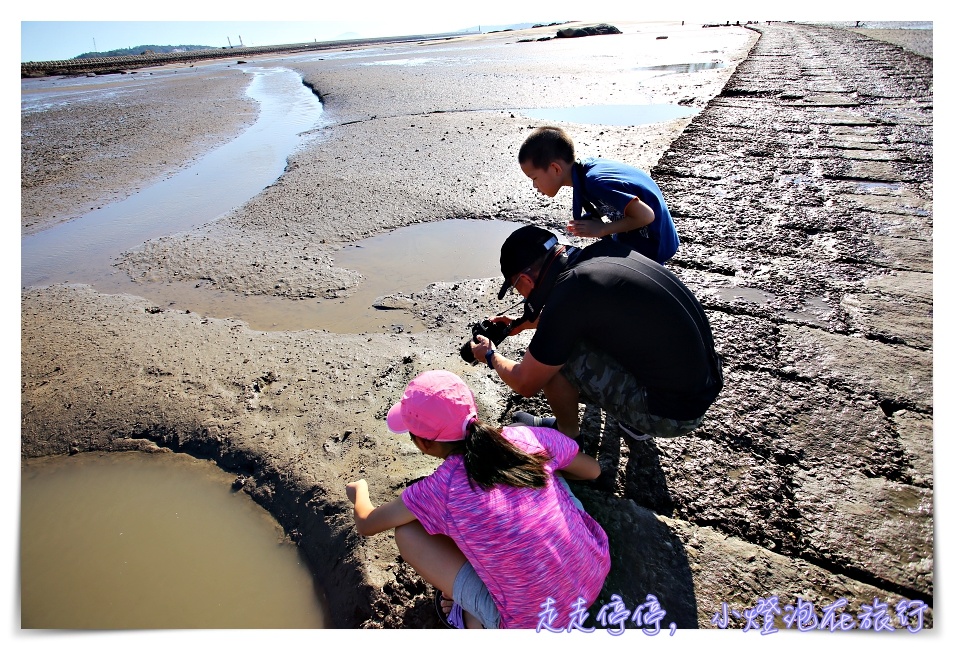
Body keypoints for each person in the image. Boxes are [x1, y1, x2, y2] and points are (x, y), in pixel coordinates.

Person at [344, 369, 610, 629]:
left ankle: (470, 620)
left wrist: (359, 491)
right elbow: (592, 470)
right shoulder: (526, 436)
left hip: (530, 623)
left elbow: (367, 523)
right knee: (545, 468)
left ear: (423, 444)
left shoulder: (440, 489)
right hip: (594, 571)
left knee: (407, 532)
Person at [470, 225, 723, 440]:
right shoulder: (600, 254)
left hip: (672, 415)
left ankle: (566, 437)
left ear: (524, 280)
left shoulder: (570, 292)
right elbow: (587, 312)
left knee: (556, 354)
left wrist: (490, 355)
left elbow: (526, 382)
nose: (521, 294)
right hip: (704, 383)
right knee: (563, 337)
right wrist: (526, 322)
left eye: (516, 288)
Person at [518, 125, 679, 265]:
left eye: (534, 178)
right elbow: (614, 198)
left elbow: (646, 216)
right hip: (650, 234)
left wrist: (602, 229)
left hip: (653, 243)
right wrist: (597, 215)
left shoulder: (595, 182)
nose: (534, 186)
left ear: (555, 169)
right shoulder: (585, 170)